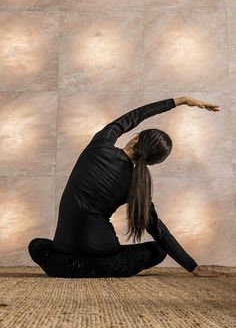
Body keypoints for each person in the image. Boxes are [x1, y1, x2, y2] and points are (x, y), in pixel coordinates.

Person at [28, 96, 227, 278]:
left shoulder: (101, 143)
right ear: (152, 163)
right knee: (157, 249)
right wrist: (193, 267)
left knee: (37, 246)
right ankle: (98, 268)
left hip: (65, 246)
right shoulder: (137, 185)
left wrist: (180, 100)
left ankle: (72, 266)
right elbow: (159, 231)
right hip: (103, 251)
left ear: (135, 138)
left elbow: (136, 115)